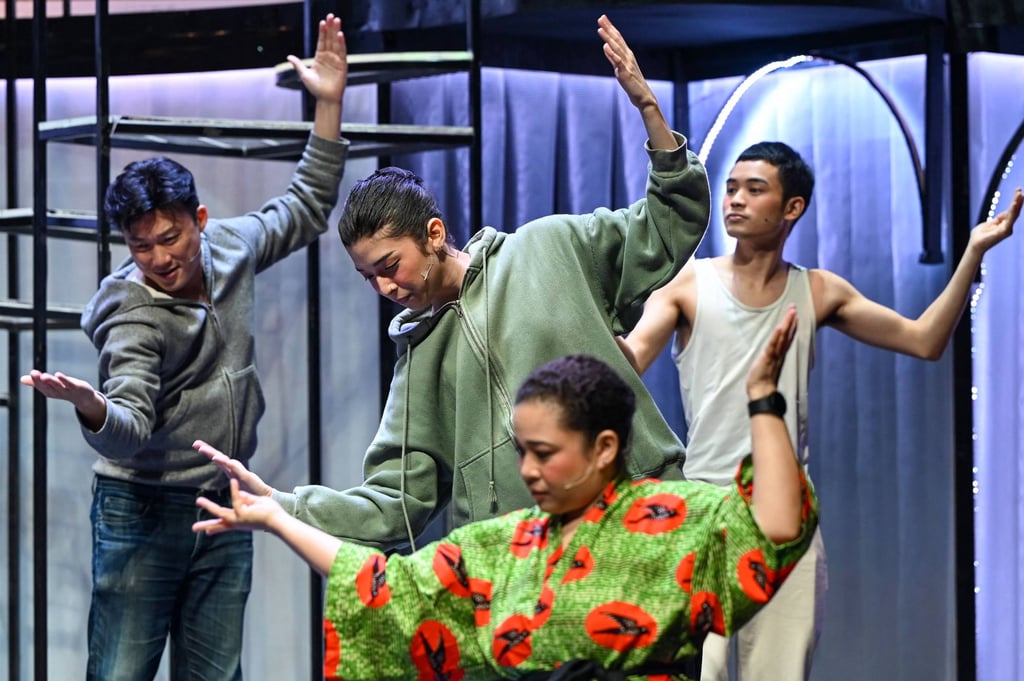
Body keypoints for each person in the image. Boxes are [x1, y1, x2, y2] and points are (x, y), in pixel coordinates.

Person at [196, 14, 711, 550]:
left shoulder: (551, 247)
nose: (384, 288)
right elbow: (392, 504)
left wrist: (650, 111)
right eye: (367, 277)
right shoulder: (419, 362)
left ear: (434, 233)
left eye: (389, 266)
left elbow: (669, 224)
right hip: (521, 569)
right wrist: (280, 506)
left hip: (640, 527)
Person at [193, 310, 819, 681]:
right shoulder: (510, 542)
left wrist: (764, 400)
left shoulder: (674, 517)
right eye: (521, 450)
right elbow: (387, 585)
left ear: (604, 448)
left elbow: (777, 526)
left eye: (545, 453)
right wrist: (276, 518)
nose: (528, 469)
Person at [19, 14, 350, 681]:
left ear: (199, 220)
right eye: (142, 246)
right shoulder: (133, 311)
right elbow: (129, 428)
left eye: (170, 238)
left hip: (222, 496)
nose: (160, 258)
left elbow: (308, 205)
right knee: (120, 672)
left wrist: (329, 104)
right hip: (142, 505)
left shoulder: (231, 247)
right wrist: (91, 406)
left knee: (215, 674)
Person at [619, 140, 1023, 681]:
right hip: (702, 512)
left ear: (793, 208)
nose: (734, 199)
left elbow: (925, 339)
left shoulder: (818, 290)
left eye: (754, 189)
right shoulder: (692, 284)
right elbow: (628, 363)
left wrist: (973, 251)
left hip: (785, 517)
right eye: (732, 188)